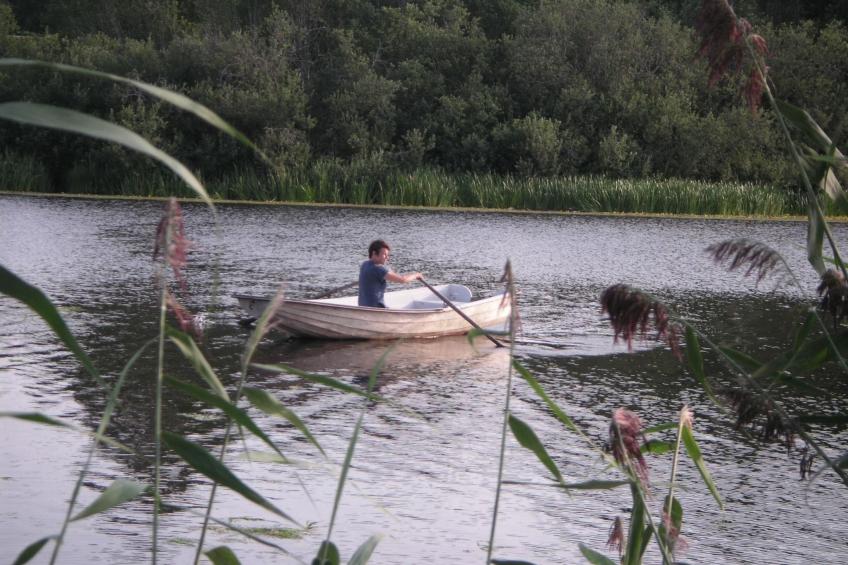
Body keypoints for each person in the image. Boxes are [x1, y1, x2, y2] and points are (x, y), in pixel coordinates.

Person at [358, 239, 422, 307]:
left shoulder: (364, 265)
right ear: (374, 253)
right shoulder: (379, 269)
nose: (387, 258)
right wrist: (416, 275)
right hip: (377, 309)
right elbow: (403, 280)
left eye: (387, 255)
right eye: (384, 254)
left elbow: (385, 272)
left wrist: (387, 270)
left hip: (363, 306)